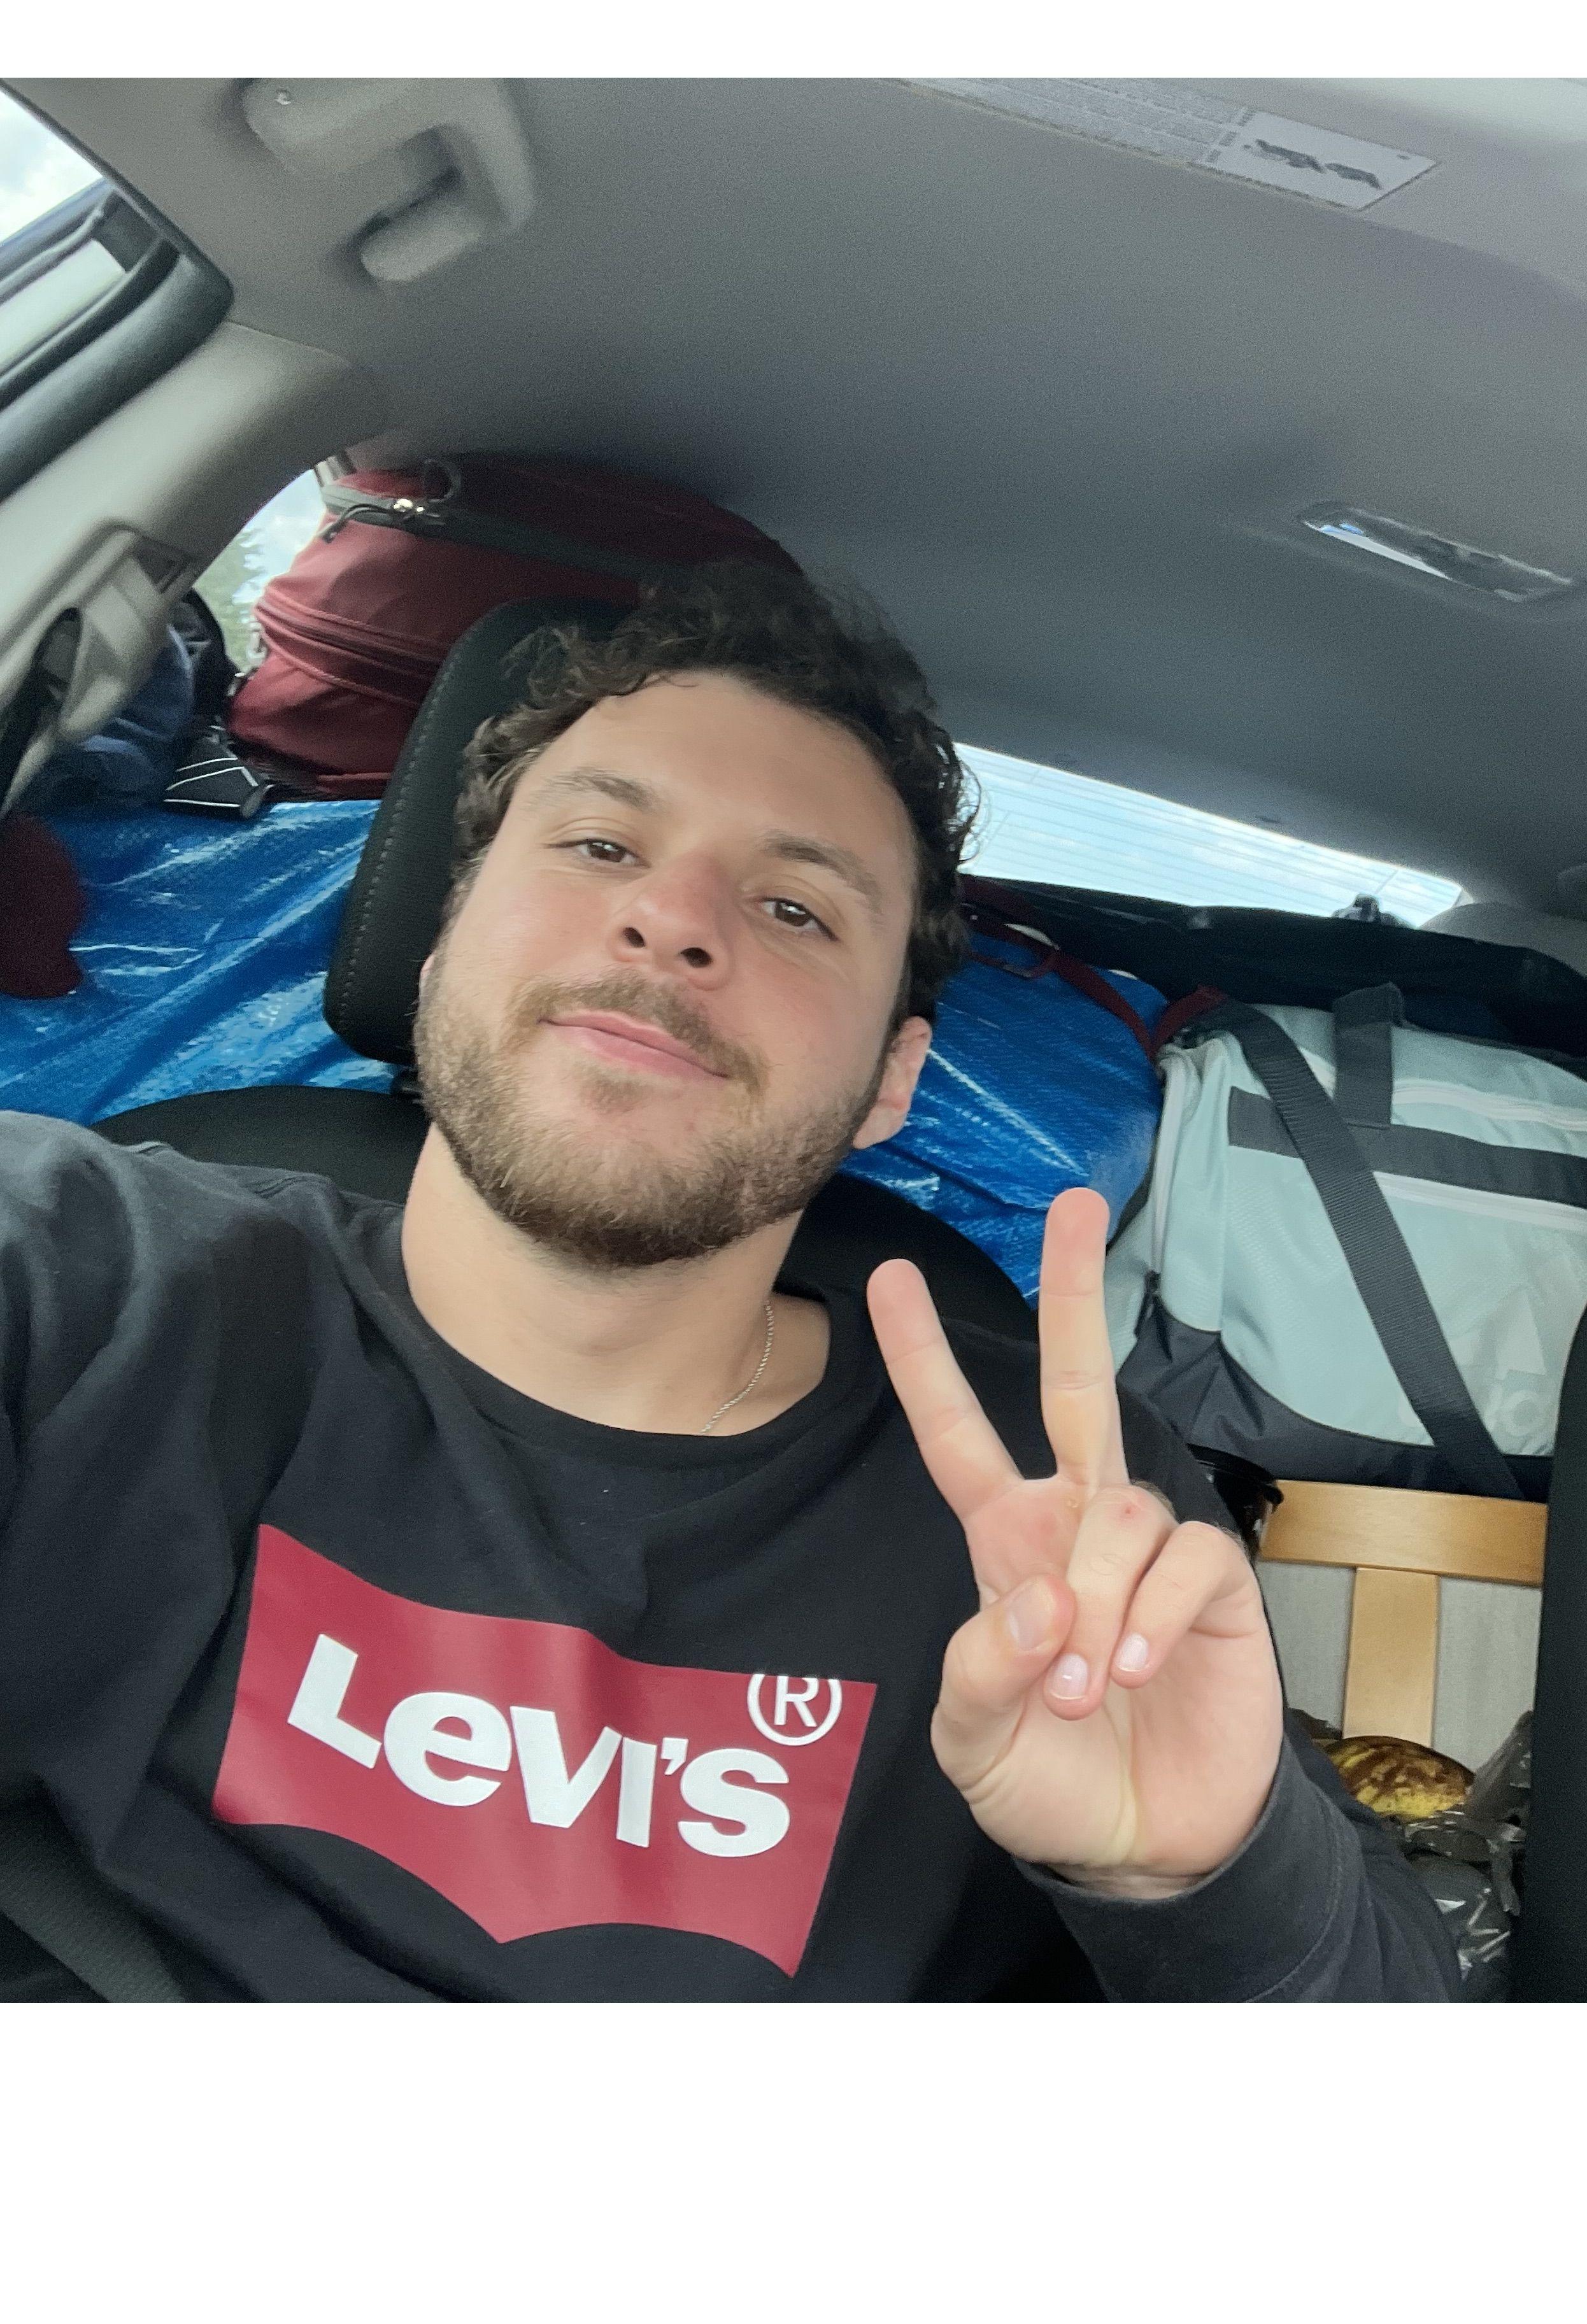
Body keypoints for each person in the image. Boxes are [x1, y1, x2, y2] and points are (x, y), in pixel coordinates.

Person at [0, 563, 1458, 2001]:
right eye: (599, 845)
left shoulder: (1057, 1504)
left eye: (796, 910)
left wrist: (1209, 1885)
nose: (675, 921)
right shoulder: (87, 1273)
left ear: (891, 1081)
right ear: (441, 946)